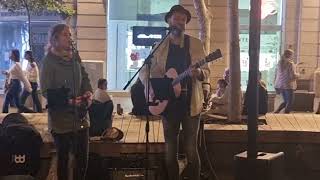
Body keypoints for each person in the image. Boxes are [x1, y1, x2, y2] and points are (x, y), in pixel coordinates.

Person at [139, 5, 210, 180]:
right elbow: (144, 71)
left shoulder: (194, 44)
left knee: (191, 150)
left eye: (183, 19)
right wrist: (149, 88)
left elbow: (206, 71)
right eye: (176, 18)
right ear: (169, 21)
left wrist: (198, 72)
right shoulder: (159, 45)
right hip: (167, 103)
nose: (179, 22)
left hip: (190, 104)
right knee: (170, 150)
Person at [40, 23, 93, 180]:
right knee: (63, 161)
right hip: (61, 121)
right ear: (55, 39)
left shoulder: (75, 55)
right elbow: (45, 91)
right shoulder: (48, 62)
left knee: (82, 160)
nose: (70, 38)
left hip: (81, 117)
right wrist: (69, 101)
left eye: (70, 34)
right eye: (65, 34)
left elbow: (84, 76)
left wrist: (88, 91)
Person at [274, 49, 299, 113]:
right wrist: (298, 74)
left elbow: (279, 73)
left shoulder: (280, 62)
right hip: (288, 85)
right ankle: (286, 114)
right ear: (290, 55)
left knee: (286, 101)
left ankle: (276, 112)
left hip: (281, 85)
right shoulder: (290, 64)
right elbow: (292, 75)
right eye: (292, 55)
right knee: (290, 101)